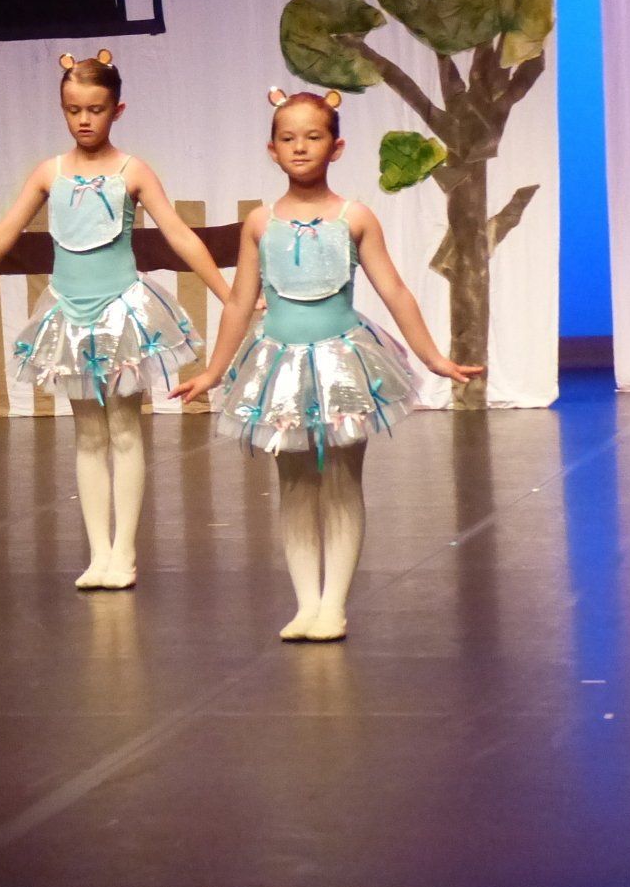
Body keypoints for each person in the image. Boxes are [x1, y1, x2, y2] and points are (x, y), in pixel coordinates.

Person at [0, 51, 230, 591]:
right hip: (69, 312)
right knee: (86, 434)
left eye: (96, 109)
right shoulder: (49, 174)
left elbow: (178, 233)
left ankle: (124, 550)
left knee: (124, 428)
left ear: (117, 110)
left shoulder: (132, 171)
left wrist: (228, 294)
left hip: (120, 311)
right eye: (73, 110)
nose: (84, 120)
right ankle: (98, 552)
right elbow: (2, 234)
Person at [169, 88, 482, 641]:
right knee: (292, 482)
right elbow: (241, 302)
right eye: (288, 138)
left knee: (339, 479)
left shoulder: (354, 217)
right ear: (271, 149)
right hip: (280, 367)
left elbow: (396, 292)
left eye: (313, 137)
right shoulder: (260, 223)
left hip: (343, 362)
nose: (300, 148)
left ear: (336, 147)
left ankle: (333, 603)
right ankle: (305, 602)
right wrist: (215, 371)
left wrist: (434, 358)